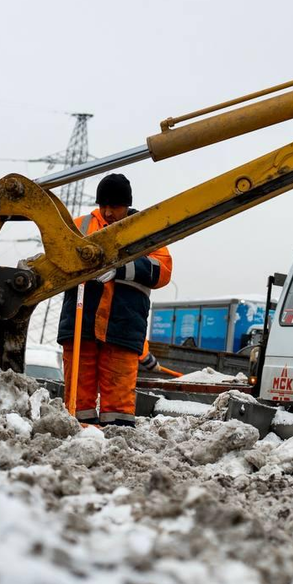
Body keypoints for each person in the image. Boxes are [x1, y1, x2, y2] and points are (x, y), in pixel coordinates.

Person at [57, 174, 172, 427]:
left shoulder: (145, 228)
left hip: (121, 327)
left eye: (115, 207)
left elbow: (162, 270)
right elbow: (56, 254)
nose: (108, 212)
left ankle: (117, 444)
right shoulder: (81, 226)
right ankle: (78, 440)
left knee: (118, 400)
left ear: (127, 205)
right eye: (103, 205)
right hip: (81, 326)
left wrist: (122, 267)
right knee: (78, 396)